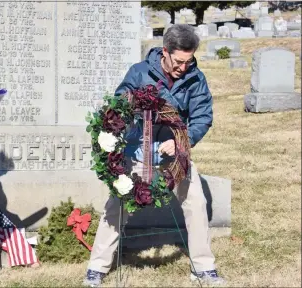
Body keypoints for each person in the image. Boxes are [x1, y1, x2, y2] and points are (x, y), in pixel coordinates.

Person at [83, 24, 225, 286]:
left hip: (175, 154)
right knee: (117, 205)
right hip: (138, 149)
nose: (184, 67)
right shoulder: (139, 72)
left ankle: (204, 268)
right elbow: (118, 105)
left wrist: (182, 140)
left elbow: (202, 117)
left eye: (189, 60)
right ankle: (97, 267)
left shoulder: (196, 78)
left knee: (196, 201)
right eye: (179, 61)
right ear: (165, 52)